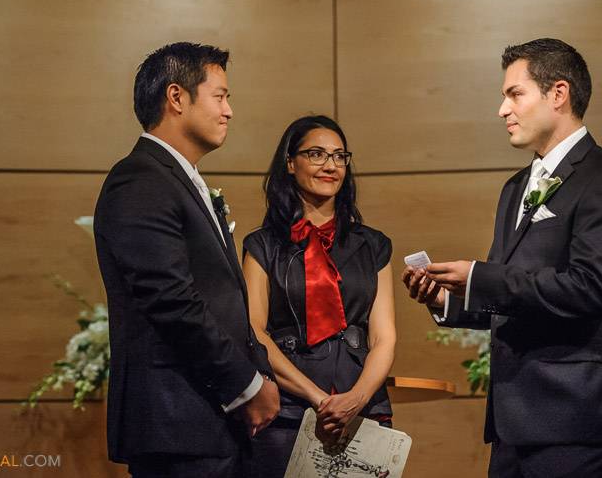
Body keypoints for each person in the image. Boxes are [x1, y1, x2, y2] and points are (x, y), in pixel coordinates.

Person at [403, 38, 602, 477]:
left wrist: (480, 276)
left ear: (558, 93)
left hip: (579, 419)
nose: (502, 109)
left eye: (514, 94)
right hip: (515, 422)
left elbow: (592, 287)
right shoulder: (514, 188)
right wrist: (445, 298)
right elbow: (510, 297)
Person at [94, 42, 279, 478]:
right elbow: (172, 300)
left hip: (205, 420)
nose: (229, 110)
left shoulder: (174, 179)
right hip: (176, 419)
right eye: (220, 96)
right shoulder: (139, 180)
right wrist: (247, 385)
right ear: (177, 97)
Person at [242, 115, 396, 478]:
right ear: (290, 163)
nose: (330, 165)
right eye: (316, 154)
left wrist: (354, 401)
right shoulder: (262, 245)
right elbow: (254, 331)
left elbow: (384, 337)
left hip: (363, 409)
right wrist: (319, 401)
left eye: (339, 156)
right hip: (289, 410)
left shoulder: (374, 245)